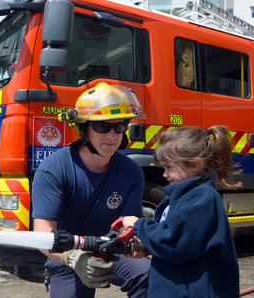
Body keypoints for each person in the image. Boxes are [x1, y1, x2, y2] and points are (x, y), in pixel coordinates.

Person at [32, 82, 150, 298]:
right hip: (67, 256)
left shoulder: (132, 171)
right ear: (83, 128)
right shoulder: (53, 170)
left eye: (119, 126)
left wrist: (136, 243)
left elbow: (129, 223)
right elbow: (42, 234)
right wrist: (74, 258)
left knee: (148, 275)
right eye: (102, 126)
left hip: (113, 249)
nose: (112, 135)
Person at [122, 125, 241, 298]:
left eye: (169, 167)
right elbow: (177, 240)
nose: (164, 174)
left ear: (195, 165)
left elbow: (175, 241)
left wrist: (139, 225)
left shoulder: (202, 199)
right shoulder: (181, 197)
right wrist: (148, 246)